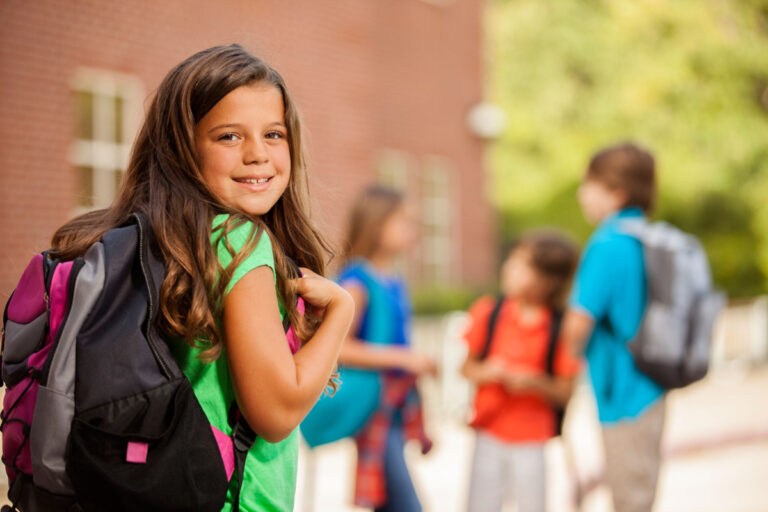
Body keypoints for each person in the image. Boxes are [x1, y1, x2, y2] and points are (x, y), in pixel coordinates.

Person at [50, 44, 354, 511]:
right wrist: (341, 310)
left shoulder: (160, 238)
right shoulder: (239, 242)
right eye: (229, 137)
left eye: (273, 134)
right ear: (182, 148)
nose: (257, 154)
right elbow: (275, 413)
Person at [561, 142, 666, 512]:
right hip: (650, 386)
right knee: (639, 492)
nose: (581, 193)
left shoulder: (608, 243)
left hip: (622, 394)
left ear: (616, 192)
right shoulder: (646, 236)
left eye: (589, 184)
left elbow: (577, 323)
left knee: (629, 501)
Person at [461, 230, 581, 512]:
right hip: (488, 432)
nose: (509, 270)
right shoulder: (488, 312)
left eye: (522, 265)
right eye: (511, 261)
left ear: (549, 280)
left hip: (532, 440)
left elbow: (566, 392)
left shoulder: (561, 328)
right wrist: (488, 372)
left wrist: (534, 383)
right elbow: (466, 368)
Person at [336, 185, 436, 512]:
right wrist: (404, 359)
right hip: (372, 406)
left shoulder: (392, 279)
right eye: (405, 221)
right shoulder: (356, 281)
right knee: (405, 503)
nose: (413, 231)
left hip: (393, 406)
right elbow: (337, 348)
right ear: (378, 226)